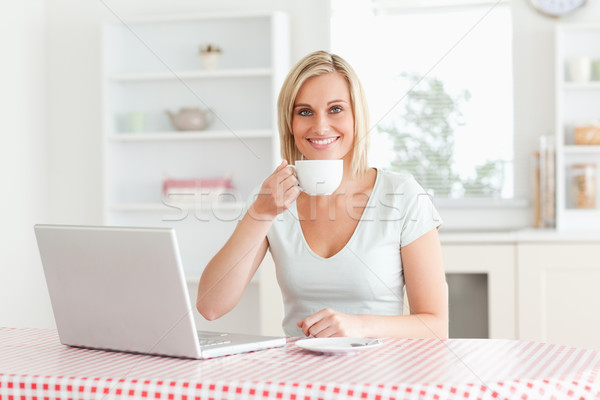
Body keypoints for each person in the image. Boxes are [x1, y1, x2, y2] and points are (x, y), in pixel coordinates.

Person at [196, 50, 448, 339]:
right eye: (305, 112)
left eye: (336, 109)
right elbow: (210, 306)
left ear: (357, 116)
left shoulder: (402, 194)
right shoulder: (272, 199)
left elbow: (436, 327)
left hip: (379, 374)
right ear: (290, 125)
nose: (320, 126)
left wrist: (359, 326)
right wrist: (261, 213)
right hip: (298, 377)